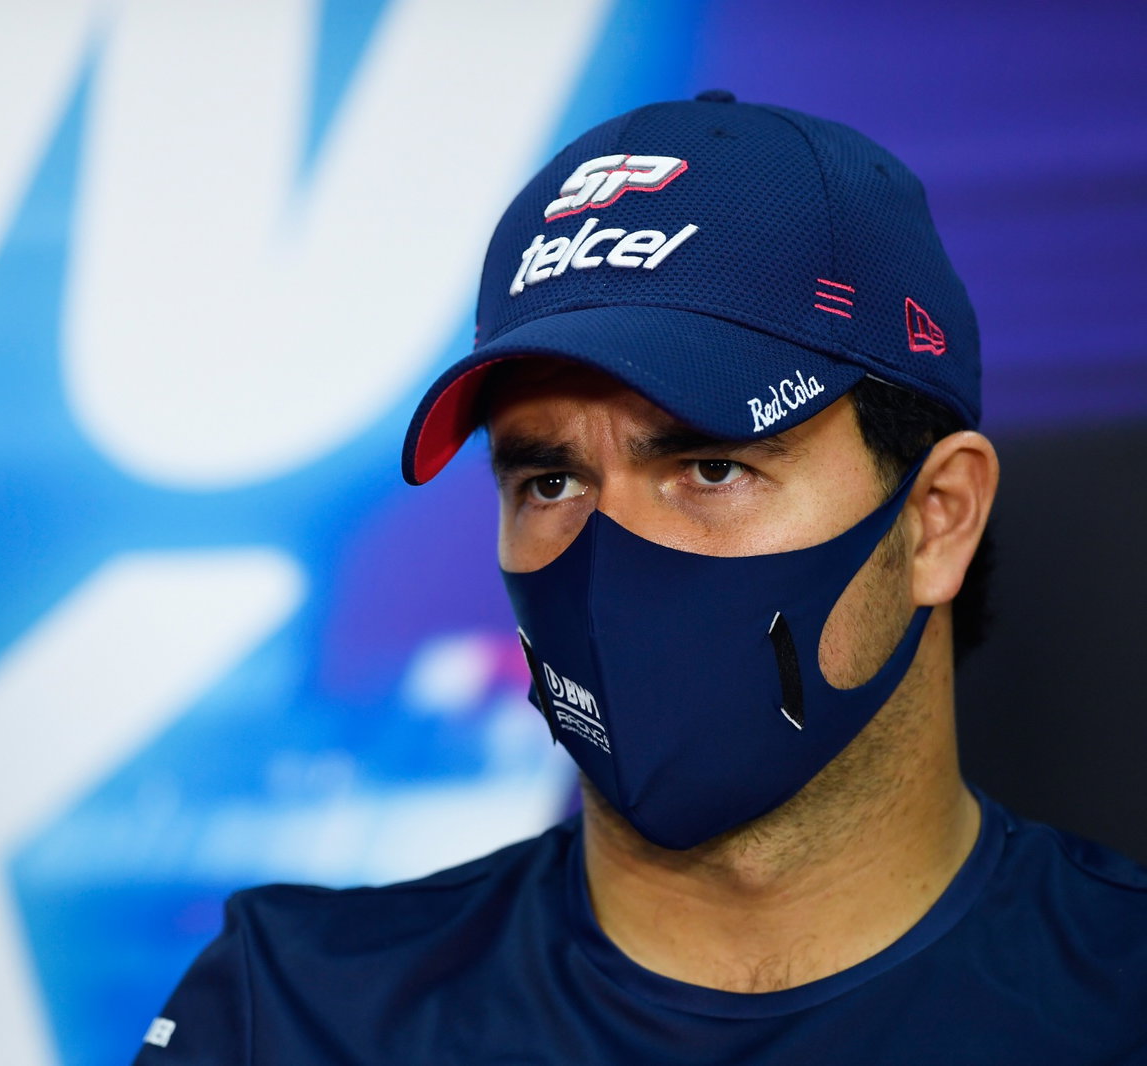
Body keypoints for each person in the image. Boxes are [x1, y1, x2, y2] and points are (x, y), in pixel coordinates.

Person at [133, 92, 1147, 1064]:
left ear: (938, 519)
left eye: (711, 467)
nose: (608, 557)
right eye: (550, 477)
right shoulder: (299, 1016)